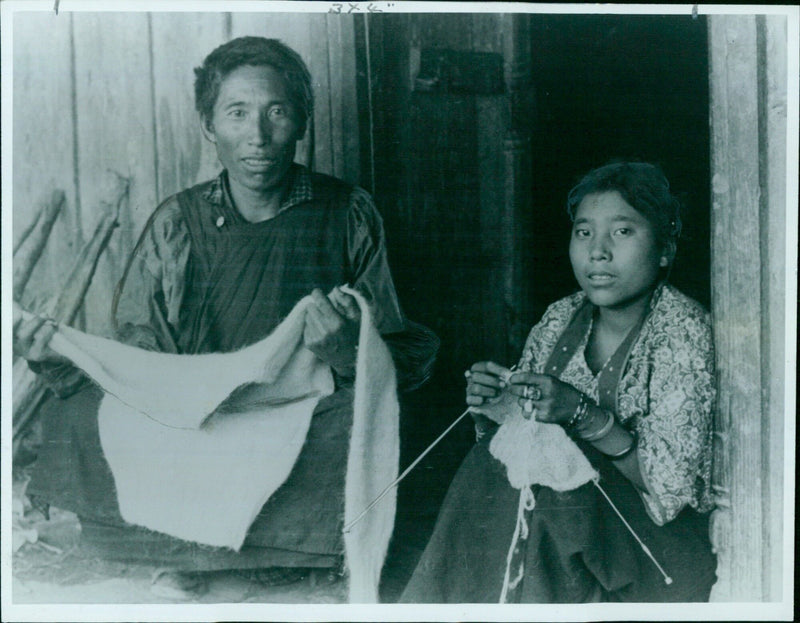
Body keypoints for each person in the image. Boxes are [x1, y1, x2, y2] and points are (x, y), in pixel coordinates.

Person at [16, 36, 438, 599]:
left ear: (303, 122)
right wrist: (58, 362)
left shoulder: (348, 212)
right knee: (79, 416)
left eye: (277, 111)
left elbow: (403, 357)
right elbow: (139, 362)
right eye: (237, 113)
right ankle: (227, 555)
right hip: (199, 417)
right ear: (208, 127)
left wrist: (345, 350)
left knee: (361, 421)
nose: (258, 136)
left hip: (297, 415)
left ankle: (238, 556)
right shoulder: (177, 224)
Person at [400, 161, 716, 603]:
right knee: (490, 466)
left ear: (665, 248)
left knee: (551, 492)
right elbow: (521, 437)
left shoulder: (683, 331)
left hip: (656, 548)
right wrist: (498, 406)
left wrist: (583, 415)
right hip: (567, 526)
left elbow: (669, 489)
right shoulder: (560, 317)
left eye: (622, 232)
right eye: (584, 232)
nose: (598, 252)